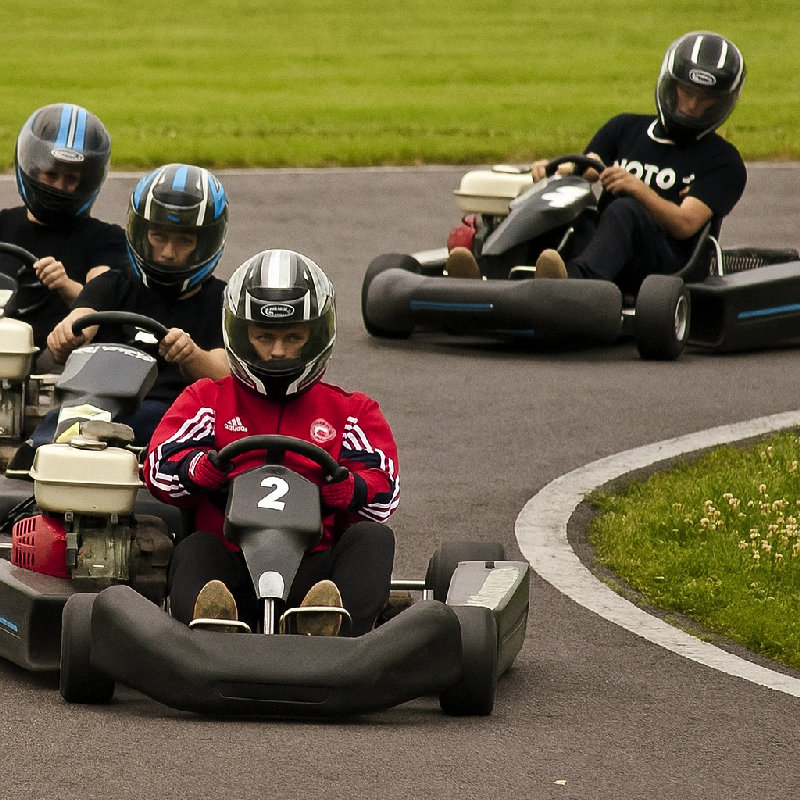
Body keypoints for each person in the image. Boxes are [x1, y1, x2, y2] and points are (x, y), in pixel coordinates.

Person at [143, 249, 399, 637]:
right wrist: (197, 468)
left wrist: (349, 487)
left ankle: (331, 630)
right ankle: (214, 629)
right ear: (242, 334)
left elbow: (384, 491)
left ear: (315, 336)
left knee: (373, 538)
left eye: (292, 337)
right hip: (228, 569)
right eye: (264, 337)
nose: (278, 351)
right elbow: (158, 465)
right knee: (195, 547)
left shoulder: (349, 411)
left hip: (316, 576)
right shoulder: (208, 399)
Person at [446, 31, 747, 294]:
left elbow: (684, 225)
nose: (692, 105)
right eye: (687, 91)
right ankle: (490, 271)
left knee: (625, 209)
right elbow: (587, 165)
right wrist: (554, 170)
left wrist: (636, 188)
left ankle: (574, 284)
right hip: (609, 248)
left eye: (705, 98)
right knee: (568, 205)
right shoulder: (625, 127)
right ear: (670, 84)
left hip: (664, 268)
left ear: (722, 102)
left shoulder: (723, 161)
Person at [6, 163, 230, 475]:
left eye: (184, 241)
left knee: (141, 423)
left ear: (205, 243)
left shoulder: (220, 301)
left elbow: (224, 376)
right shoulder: (114, 284)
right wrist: (68, 337)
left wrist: (191, 355)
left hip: (170, 417)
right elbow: (83, 318)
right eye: (158, 236)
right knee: (42, 441)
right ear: (141, 233)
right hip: (92, 408)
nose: (167, 252)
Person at [0, 103, 128, 353]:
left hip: (60, 366)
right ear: (33, 171)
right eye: (51, 174)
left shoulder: (106, 240)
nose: (59, 186)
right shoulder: (2, 225)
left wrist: (64, 284)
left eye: (71, 179)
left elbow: (103, 298)